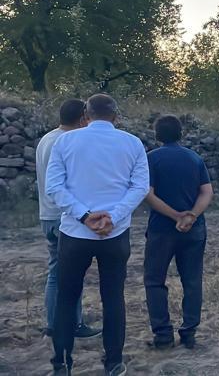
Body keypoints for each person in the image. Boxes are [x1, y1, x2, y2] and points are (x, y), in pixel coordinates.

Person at [46, 93, 149, 376]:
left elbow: (54, 187)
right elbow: (140, 187)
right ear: (116, 116)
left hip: (75, 232)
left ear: (86, 116)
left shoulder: (65, 141)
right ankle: (114, 362)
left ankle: (62, 364)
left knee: (67, 297)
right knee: (113, 297)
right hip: (115, 235)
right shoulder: (132, 143)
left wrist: (84, 215)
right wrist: (113, 217)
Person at [143, 114, 213, 350]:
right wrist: (191, 215)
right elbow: (206, 192)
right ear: (181, 133)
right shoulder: (194, 158)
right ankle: (189, 333)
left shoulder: (151, 159)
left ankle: (162, 335)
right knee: (192, 281)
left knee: (154, 281)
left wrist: (175, 216)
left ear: (157, 135)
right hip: (194, 230)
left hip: (162, 230)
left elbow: (148, 194)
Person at [36, 99, 101, 339]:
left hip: (47, 214)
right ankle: (70, 324)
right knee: (69, 273)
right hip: (64, 216)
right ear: (83, 118)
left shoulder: (47, 139)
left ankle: (55, 323)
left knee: (57, 272)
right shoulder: (65, 142)